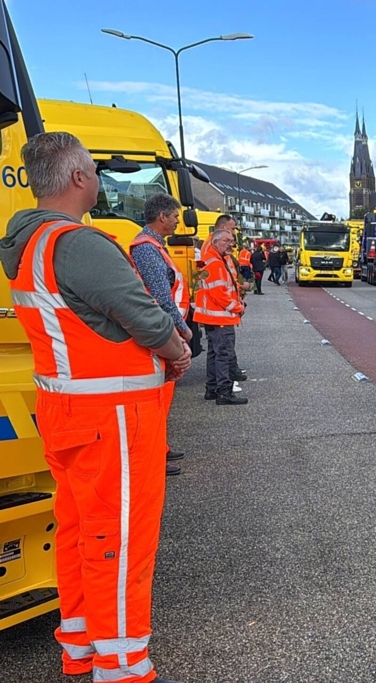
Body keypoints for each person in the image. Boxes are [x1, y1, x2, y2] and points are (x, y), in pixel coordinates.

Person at [0, 132, 190, 683]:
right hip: (116, 419)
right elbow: (146, 317)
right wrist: (176, 353)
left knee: (79, 530)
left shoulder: (27, 244)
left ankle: (81, 646)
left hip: (67, 411)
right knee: (122, 539)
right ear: (79, 177)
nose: (99, 181)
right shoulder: (79, 244)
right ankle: (123, 664)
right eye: (95, 171)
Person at [130, 193, 193, 477]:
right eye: (176, 216)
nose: (178, 221)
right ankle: (154, 455)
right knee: (156, 400)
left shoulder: (153, 246)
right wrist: (181, 328)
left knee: (163, 400)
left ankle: (160, 448)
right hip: (162, 331)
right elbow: (160, 295)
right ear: (162, 217)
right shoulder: (147, 248)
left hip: (163, 329)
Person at [195, 228, 249, 405]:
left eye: (231, 241)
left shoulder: (213, 259)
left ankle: (212, 390)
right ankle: (224, 394)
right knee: (223, 355)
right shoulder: (216, 263)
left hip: (211, 318)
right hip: (220, 318)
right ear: (215, 241)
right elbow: (220, 294)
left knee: (214, 354)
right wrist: (238, 307)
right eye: (226, 241)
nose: (230, 244)